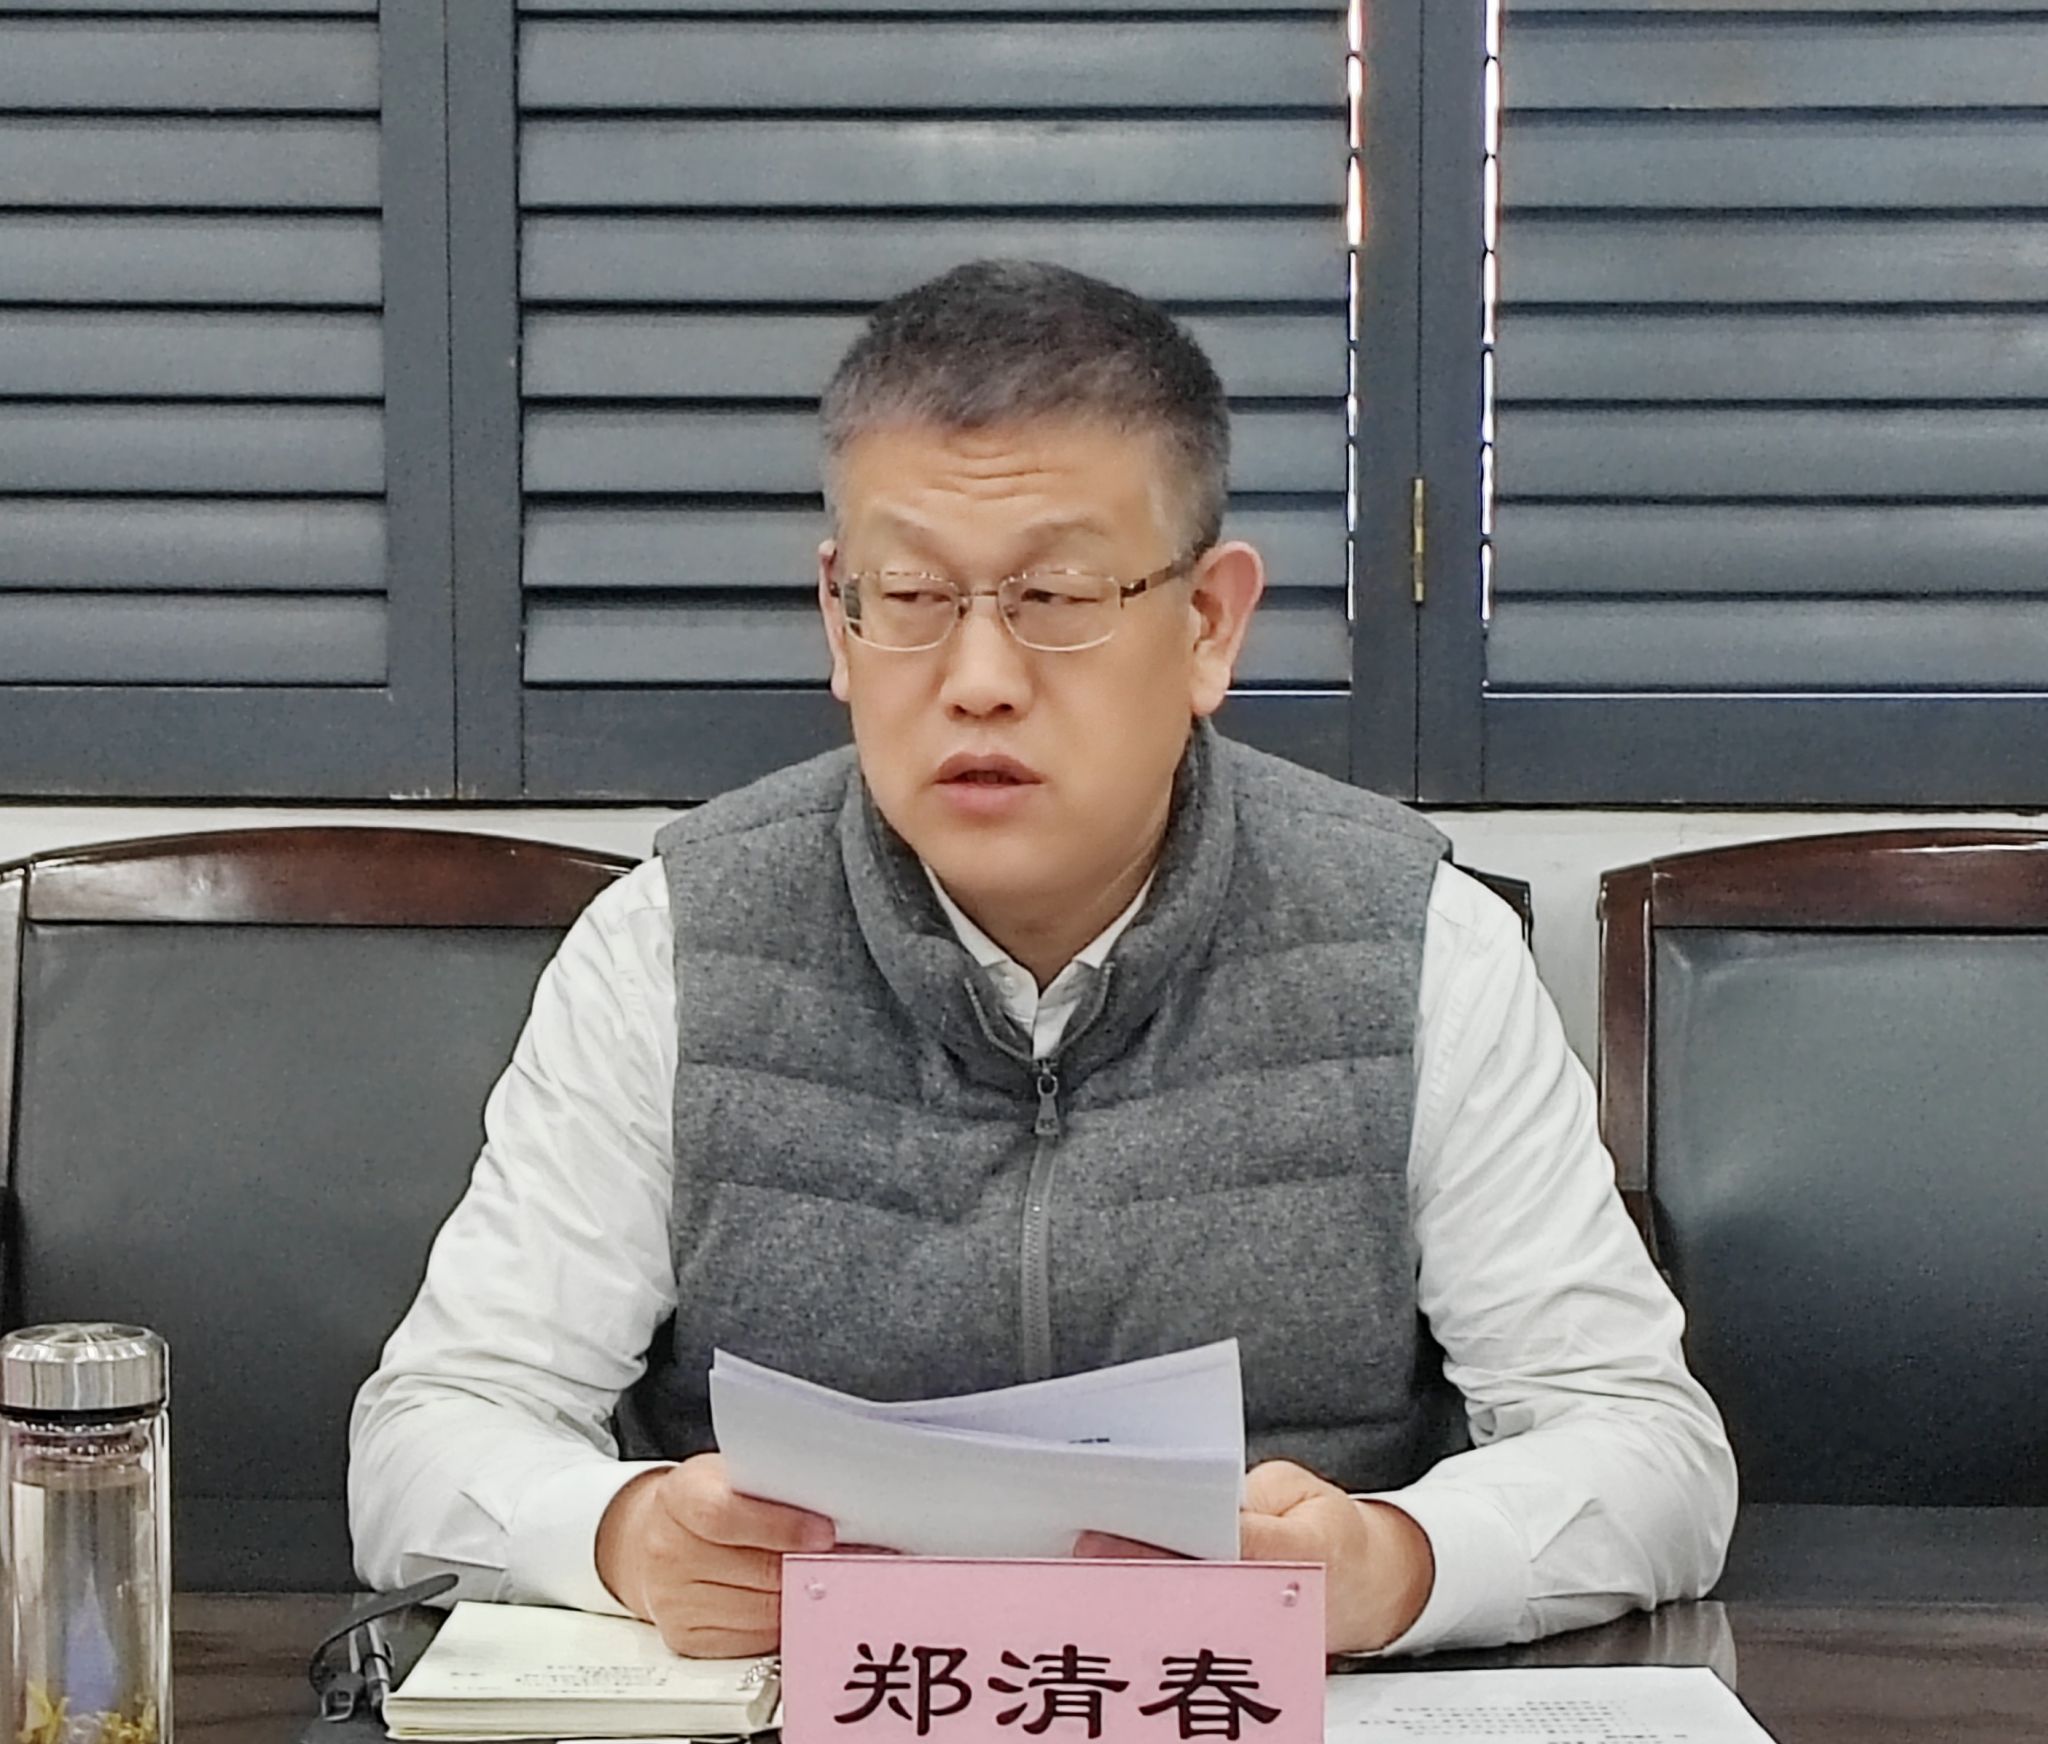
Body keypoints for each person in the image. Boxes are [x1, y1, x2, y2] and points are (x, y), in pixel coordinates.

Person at [349, 261, 1734, 1659]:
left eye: (1057, 596)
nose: (979, 679)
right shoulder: (670, 943)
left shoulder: (1417, 943)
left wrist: (1392, 1568)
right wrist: (625, 1536)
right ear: (840, 618)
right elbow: (429, 1435)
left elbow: (1647, 1450)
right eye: (910, 595)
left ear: (1208, 625)